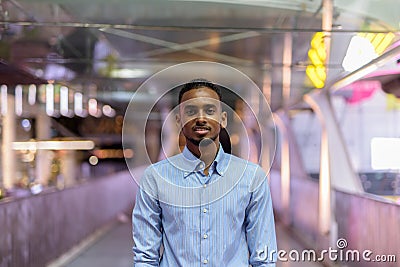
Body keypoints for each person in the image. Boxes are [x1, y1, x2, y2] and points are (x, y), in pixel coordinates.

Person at [132, 79, 277, 266]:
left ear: (223, 119)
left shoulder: (251, 178)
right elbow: (145, 258)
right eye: (191, 111)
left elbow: (264, 257)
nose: (201, 118)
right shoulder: (155, 178)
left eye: (210, 111)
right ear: (179, 120)